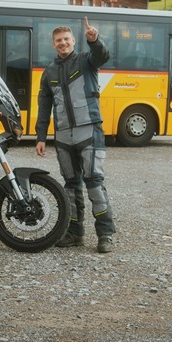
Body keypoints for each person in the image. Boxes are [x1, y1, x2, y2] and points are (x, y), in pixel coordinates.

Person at [35, 18, 115, 253]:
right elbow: (44, 105)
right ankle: (74, 233)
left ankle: (105, 234)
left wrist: (95, 41)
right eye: (58, 40)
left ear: (73, 41)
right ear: (53, 44)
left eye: (66, 39)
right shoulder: (48, 72)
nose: (63, 43)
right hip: (63, 136)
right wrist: (41, 136)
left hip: (89, 130)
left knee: (94, 185)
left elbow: (102, 56)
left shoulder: (86, 61)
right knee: (70, 187)